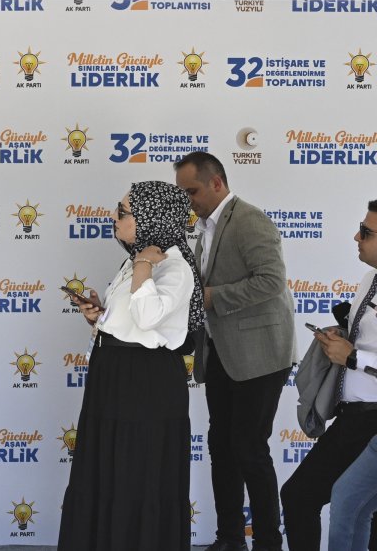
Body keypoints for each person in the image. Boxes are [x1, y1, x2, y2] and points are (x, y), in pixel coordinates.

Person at [58, 181, 203, 551]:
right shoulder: (137, 260)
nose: (115, 216)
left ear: (151, 218)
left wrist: (142, 266)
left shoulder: (174, 267)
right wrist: (99, 317)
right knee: (107, 469)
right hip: (114, 375)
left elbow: (148, 317)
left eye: (123, 212)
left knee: (135, 472)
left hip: (146, 382)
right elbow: (130, 322)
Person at [174, 151, 295, 551]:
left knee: (249, 450)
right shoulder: (204, 226)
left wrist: (211, 297)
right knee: (222, 448)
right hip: (222, 354)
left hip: (260, 355)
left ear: (217, 183)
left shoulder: (249, 219)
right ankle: (229, 539)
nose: (188, 200)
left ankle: (267, 543)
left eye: (192, 191)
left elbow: (271, 281)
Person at [281, 199, 377, 550]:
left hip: (371, 418)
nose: (356, 237)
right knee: (311, 499)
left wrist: (354, 358)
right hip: (355, 417)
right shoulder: (369, 279)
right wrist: (342, 337)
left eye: (366, 232)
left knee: (345, 505)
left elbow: (359, 356)